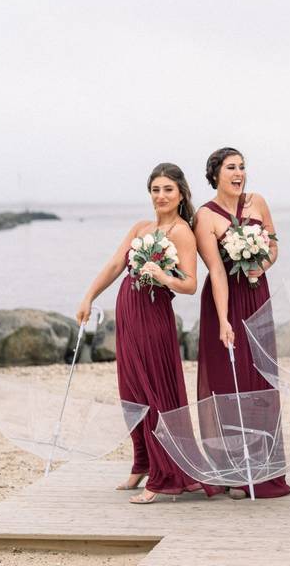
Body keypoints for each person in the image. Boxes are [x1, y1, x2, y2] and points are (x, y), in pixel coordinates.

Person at [77, 163, 203, 504]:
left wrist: (164, 278)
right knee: (131, 390)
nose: (160, 196)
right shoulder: (141, 227)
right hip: (128, 313)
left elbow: (191, 284)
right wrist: (89, 296)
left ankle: (164, 475)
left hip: (154, 316)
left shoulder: (182, 232)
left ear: (180, 194)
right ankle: (142, 462)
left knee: (154, 390)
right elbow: (116, 265)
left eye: (167, 190)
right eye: (155, 190)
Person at [193, 147, 290, 499]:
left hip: (256, 293)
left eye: (243, 167)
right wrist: (223, 320)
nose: (239, 173)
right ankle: (231, 468)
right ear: (215, 173)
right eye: (231, 167)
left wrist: (262, 265)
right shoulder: (205, 216)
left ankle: (262, 467)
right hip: (225, 299)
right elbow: (216, 270)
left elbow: (275, 247)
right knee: (227, 382)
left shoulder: (257, 202)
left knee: (259, 377)